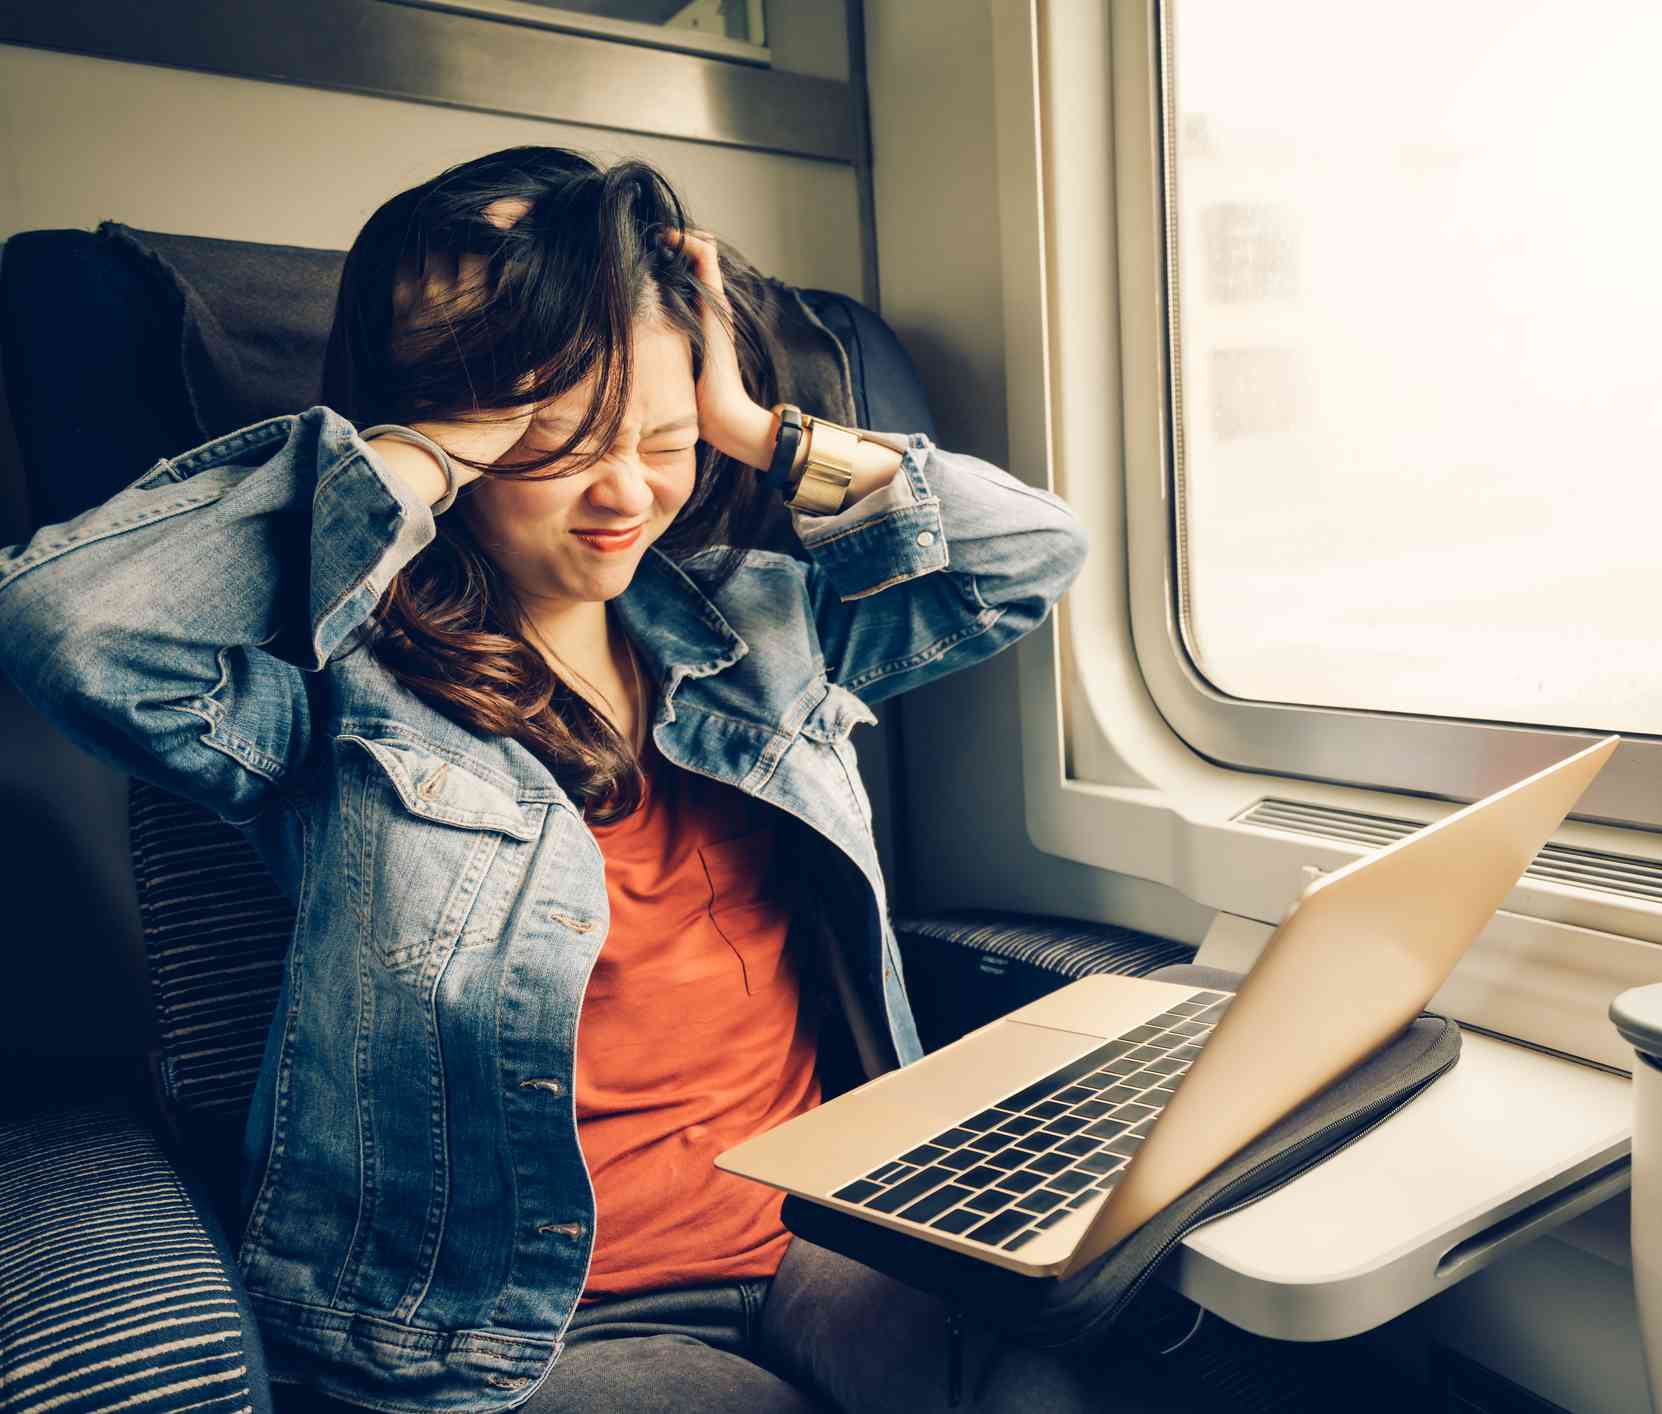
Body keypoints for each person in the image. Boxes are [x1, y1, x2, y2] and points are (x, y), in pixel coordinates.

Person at [0, 146, 1205, 1413]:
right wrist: (415, 450)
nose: (624, 494)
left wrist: (759, 427)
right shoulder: (333, 693)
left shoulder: (759, 625)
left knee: (1071, 1368)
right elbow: (67, 631)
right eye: (557, 441)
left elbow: (1029, 550)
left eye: (666, 440)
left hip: (820, 1235)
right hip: (543, 1323)